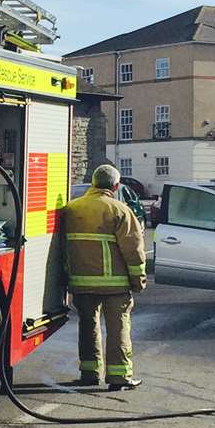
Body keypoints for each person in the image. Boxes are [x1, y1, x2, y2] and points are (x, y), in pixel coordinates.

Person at [61, 163, 148, 389]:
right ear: (116, 185)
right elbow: (134, 249)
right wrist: (138, 281)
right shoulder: (120, 210)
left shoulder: (72, 208)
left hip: (80, 282)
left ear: (93, 183)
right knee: (118, 327)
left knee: (88, 327)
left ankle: (89, 373)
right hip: (115, 285)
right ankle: (119, 377)